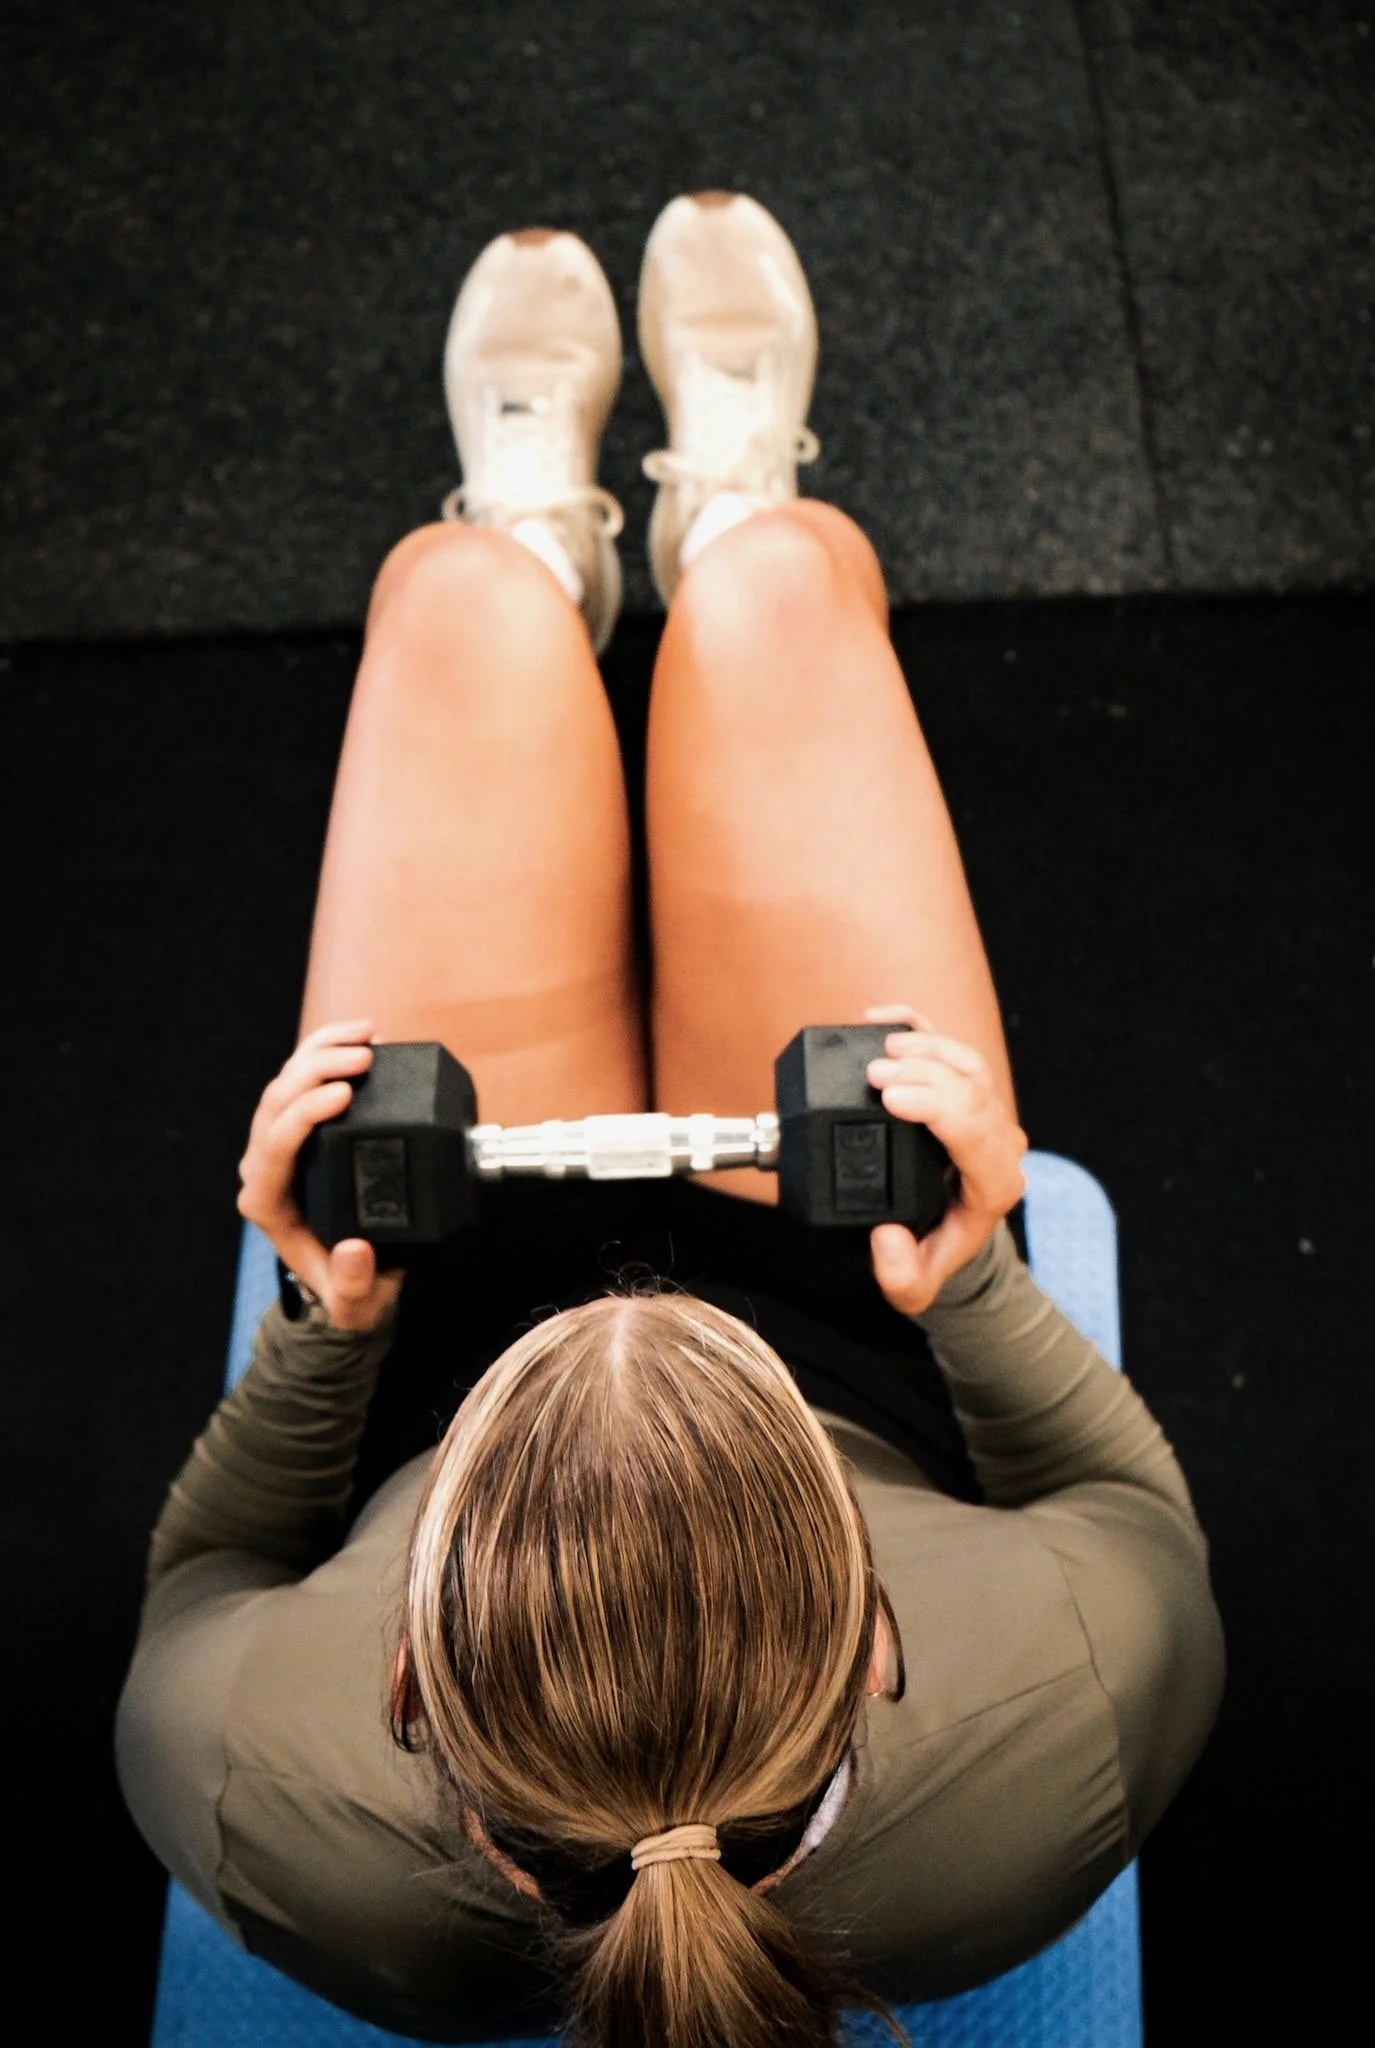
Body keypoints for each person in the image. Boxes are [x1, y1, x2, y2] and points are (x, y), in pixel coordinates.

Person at [115, 192, 1224, 2048]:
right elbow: (1124, 1510)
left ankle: (536, 555)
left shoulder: (257, 1789)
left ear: (398, 1685)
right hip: (863, 1314)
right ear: (882, 1641)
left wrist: (325, 1333)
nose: (636, 1313)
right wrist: (969, 1288)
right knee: (781, 586)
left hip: (437, 1333)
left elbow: (208, 1580)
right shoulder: (1066, 1730)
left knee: (454, 603)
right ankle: (725, 516)